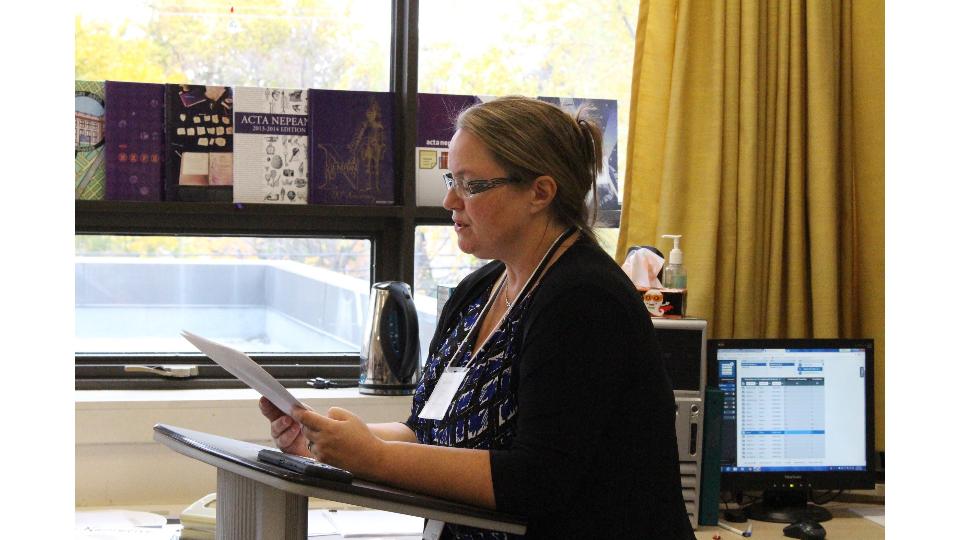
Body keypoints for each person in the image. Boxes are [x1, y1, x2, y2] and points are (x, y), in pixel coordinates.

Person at [259, 96, 695, 539]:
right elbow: (427, 431)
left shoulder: (584, 301)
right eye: (452, 179)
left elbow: (536, 479)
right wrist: (327, 443)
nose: (449, 199)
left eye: (470, 185)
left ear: (540, 193)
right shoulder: (478, 291)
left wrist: (372, 456)